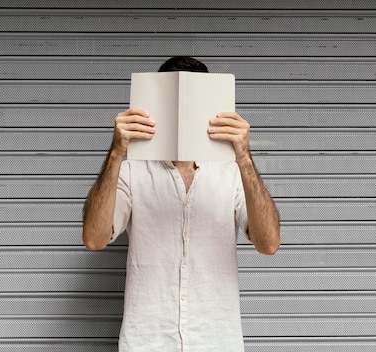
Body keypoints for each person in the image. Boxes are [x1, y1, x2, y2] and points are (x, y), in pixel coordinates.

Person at [82, 56, 280, 352]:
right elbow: (94, 239)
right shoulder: (132, 170)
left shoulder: (232, 171)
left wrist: (244, 157)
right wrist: (116, 152)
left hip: (217, 342)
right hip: (146, 342)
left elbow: (269, 244)